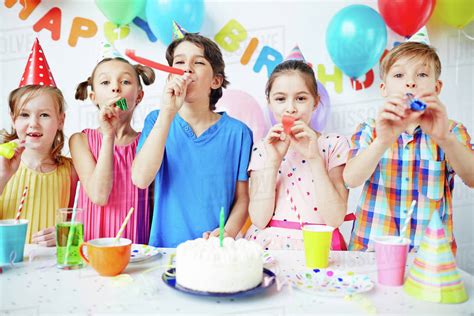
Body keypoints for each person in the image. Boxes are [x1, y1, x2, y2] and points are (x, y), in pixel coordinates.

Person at [344, 40, 474, 252]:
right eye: (399, 75)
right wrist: (382, 141)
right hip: (371, 249)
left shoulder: (452, 131)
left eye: (422, 75)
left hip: (430, 256)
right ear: (384, 89)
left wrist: (444, 138)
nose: (411, 82)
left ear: (437, 87)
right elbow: (351, 179)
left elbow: (472, 178)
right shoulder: (370, 129)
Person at [132, 32, 253, 247]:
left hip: (214, 251)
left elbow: (242, 198)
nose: (187, 68)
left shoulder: (239, 133)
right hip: (166, 250)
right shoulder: (157, 120)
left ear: (216, 81)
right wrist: (168, 112)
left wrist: (228, 233)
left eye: (198, 62)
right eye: (179, 62)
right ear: (170, 75)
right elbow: (141, 179)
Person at [244, 47, 350, 250]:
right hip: (270, 246)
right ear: (269, 103)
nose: (290, 108)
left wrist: (314, 158)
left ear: (316, 102)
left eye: (301, 98)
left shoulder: (334, 144)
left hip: (318, 245)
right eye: (280, 98)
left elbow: (335, 218)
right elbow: (258, 219)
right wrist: (273, 162)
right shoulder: (262, 148)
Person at [71, 43, 155, 243]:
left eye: (125, 81)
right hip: (94, 248)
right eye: (105, 82)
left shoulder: (149, 144)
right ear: (93, 97)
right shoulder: (80, 140)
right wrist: (108, 136)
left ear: (139, 96)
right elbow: (99, 196)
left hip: (137, 249)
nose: (115, 87)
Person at [0, 39, 78, 246]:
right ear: (13, 118)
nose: (33, 123)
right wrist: (3, 177)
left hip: (54, 272)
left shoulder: (71, 172)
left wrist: (65, 234)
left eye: (44, 115)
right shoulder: (1, 165)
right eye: (24, 114)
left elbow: (79, 223)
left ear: (61, 120)